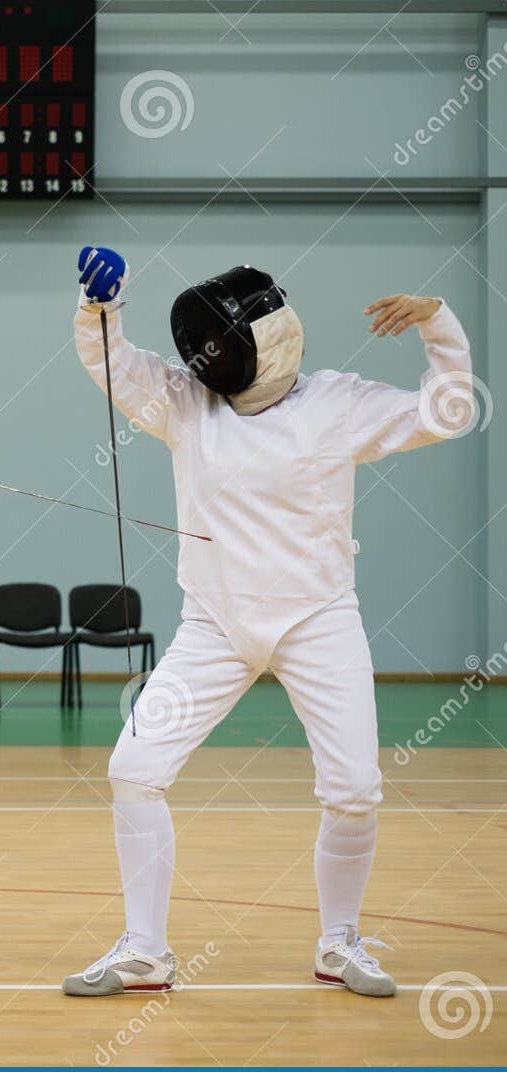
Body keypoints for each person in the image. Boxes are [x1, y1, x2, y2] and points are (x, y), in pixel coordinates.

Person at [64, 247, 475, 998]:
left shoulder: (336, 403)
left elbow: (449, 412)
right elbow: (116, 367)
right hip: (215, 625)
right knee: (134, 770)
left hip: (319, 620)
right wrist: (102, 306)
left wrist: (439, 326)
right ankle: (145, 950)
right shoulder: (190, 405)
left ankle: (339, 941)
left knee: (354, 787)